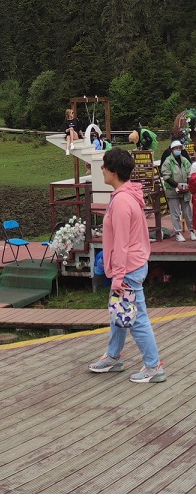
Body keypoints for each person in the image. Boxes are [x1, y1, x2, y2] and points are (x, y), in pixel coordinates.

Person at [90, 146, 166, 383]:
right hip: (133, 264)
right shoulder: (129, 194)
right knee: (119, 312)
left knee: (137, 317)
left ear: (113, 171)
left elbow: (122, 243)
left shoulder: (122, 201)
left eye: (104, 166)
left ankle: (153, 367)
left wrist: (118, 276)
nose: (101, 169)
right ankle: (113, 356)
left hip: (128, 268)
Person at [163, 141, 194, 242]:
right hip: (173, 191)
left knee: (188, 212)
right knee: (175, 213)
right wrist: (177, 185)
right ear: (172, 149)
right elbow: (166, 176)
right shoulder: (168, 162)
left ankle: (192, 231)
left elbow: (190, 173)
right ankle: (178, 233)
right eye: (176, 148)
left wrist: (188, 184)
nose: (178, 150)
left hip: (185, 191)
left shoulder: (185, 160)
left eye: (179, 148)